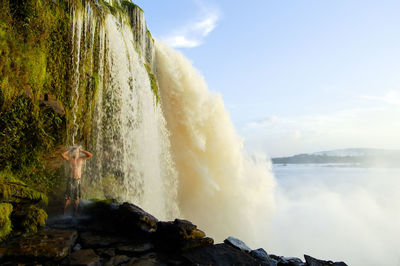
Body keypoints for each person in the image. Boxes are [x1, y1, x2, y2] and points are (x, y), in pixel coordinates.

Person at [61, 146, 93, 215]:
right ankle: (64, 212)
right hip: (71, 179)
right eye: (74, 152)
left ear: (78, 153)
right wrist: (69, 150)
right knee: (67, 197)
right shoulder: (70, 159)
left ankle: (75, 212)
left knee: (77, 197)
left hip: (78, 180)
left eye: (77, 152)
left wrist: (81, 151)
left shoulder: (81, 159)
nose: (75, 153)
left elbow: (90, 155)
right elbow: (62, 155)